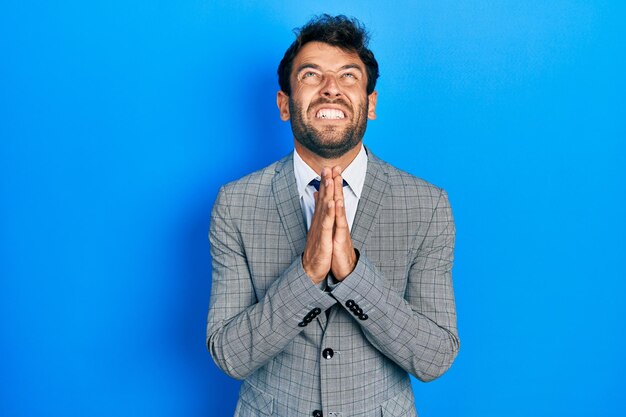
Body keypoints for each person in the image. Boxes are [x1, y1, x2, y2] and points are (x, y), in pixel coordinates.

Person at [206, 14, 459, 417]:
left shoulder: (427, 206)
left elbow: (434, 357)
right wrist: (306, 275)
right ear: (284, 104)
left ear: (370, 103)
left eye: (348, 77)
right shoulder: (235, 204)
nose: (330, 90)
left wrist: (354, 276)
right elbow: (230, 355)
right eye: (310, 75)